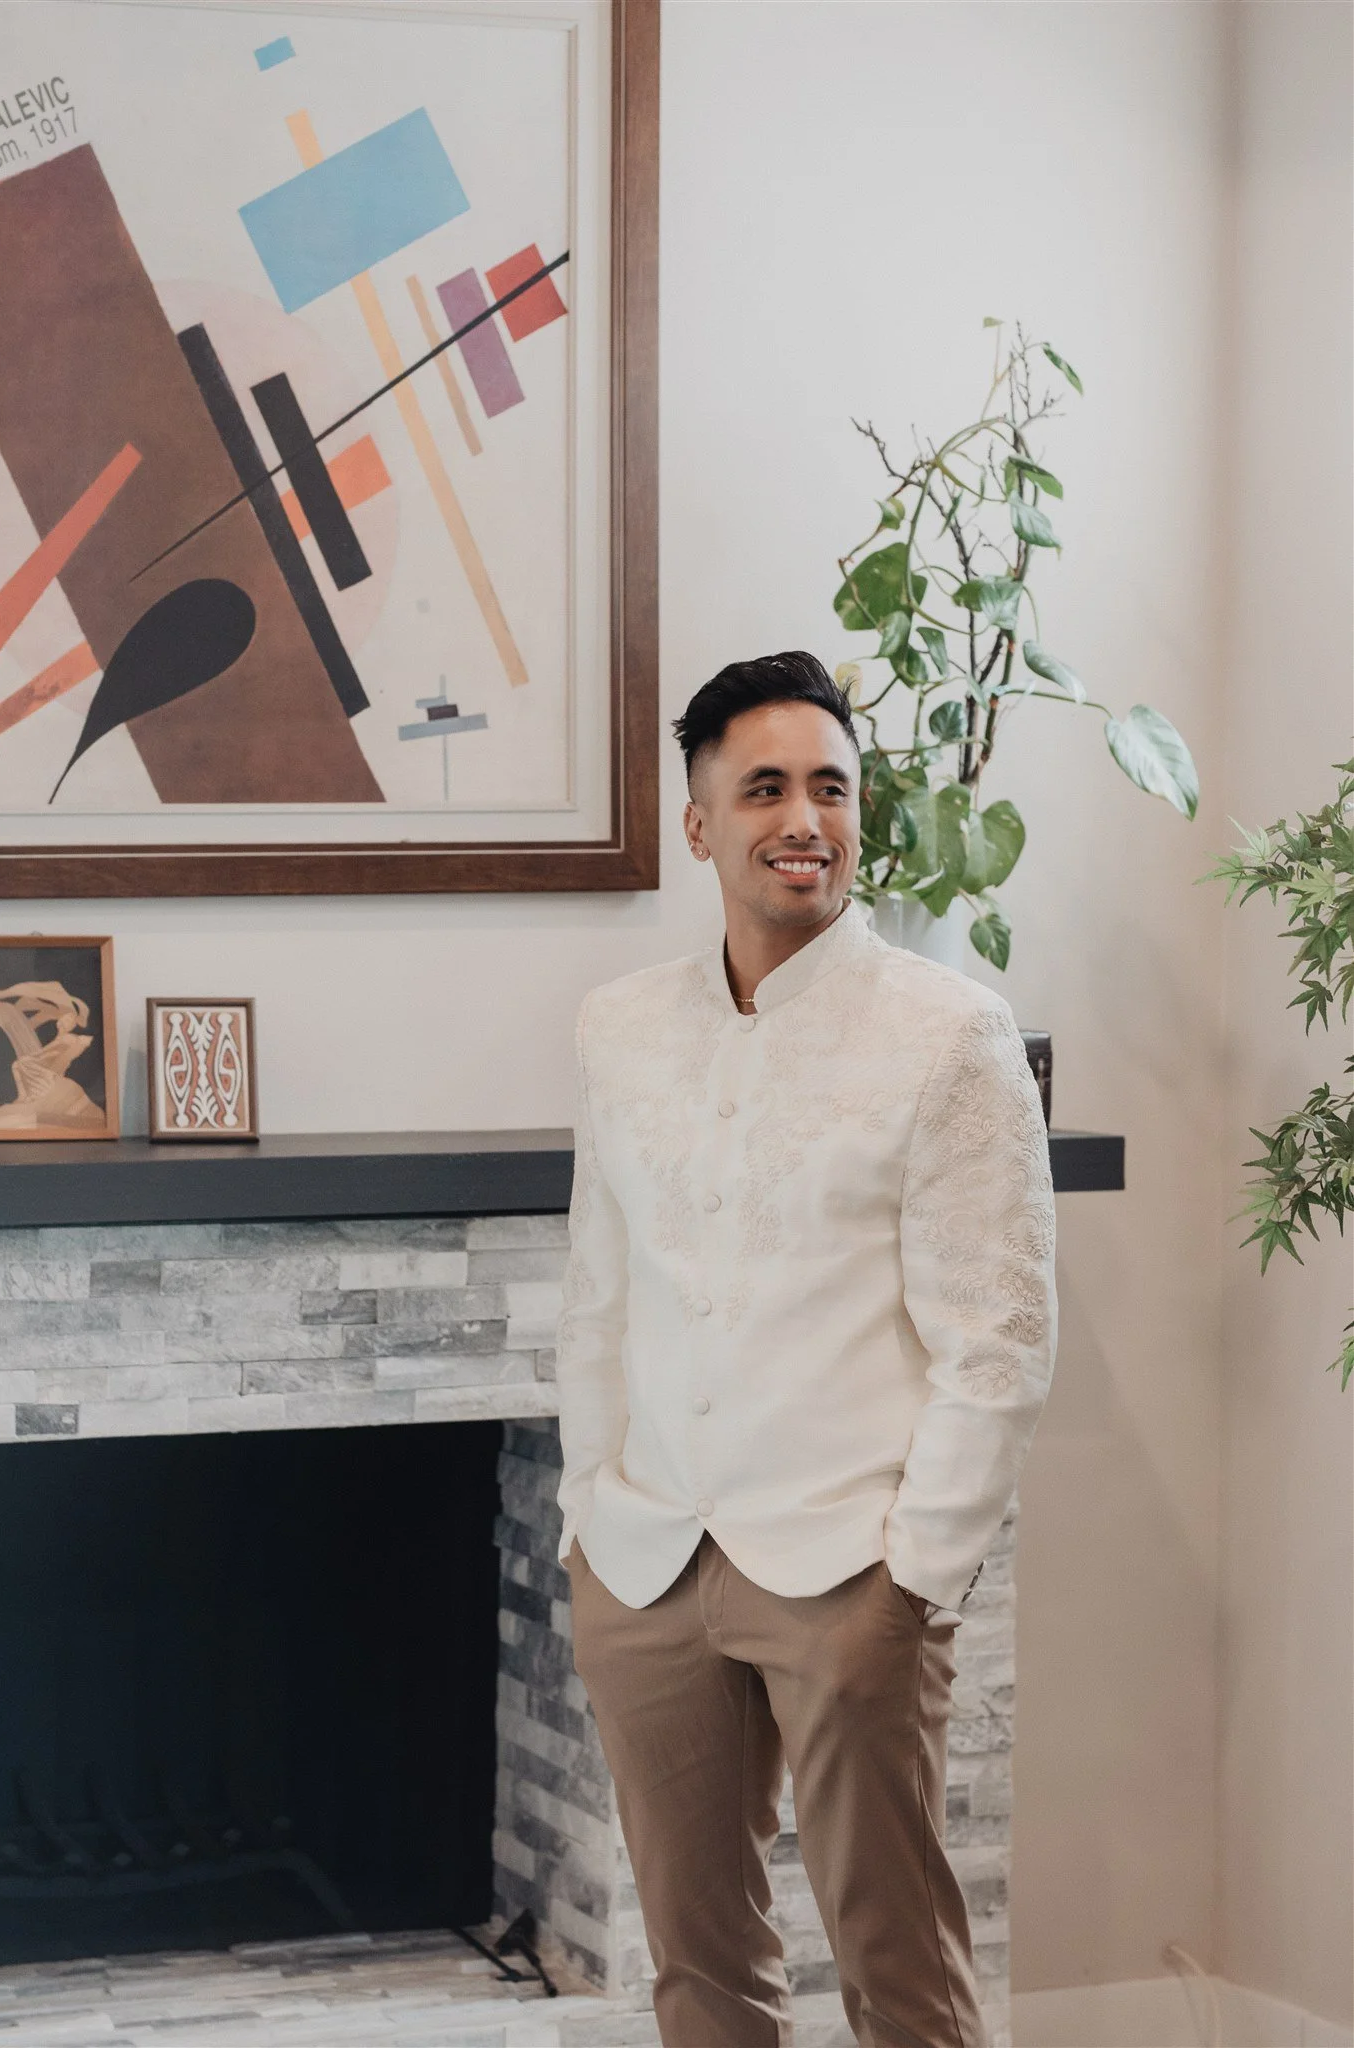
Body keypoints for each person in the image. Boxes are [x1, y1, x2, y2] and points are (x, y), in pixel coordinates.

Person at [553, 650, 1057, 2048]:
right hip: (646, 1565)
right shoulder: (619, 1030)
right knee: (698, 1978)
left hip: (848, 1574)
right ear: (699, 820)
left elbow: (1000, 1338)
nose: (803, 820)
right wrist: (586, 1514)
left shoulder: (949, 1035)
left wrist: (909, 1581)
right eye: (764, 786)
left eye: (830, 789)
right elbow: (599, 1290)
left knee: (903, 1983)